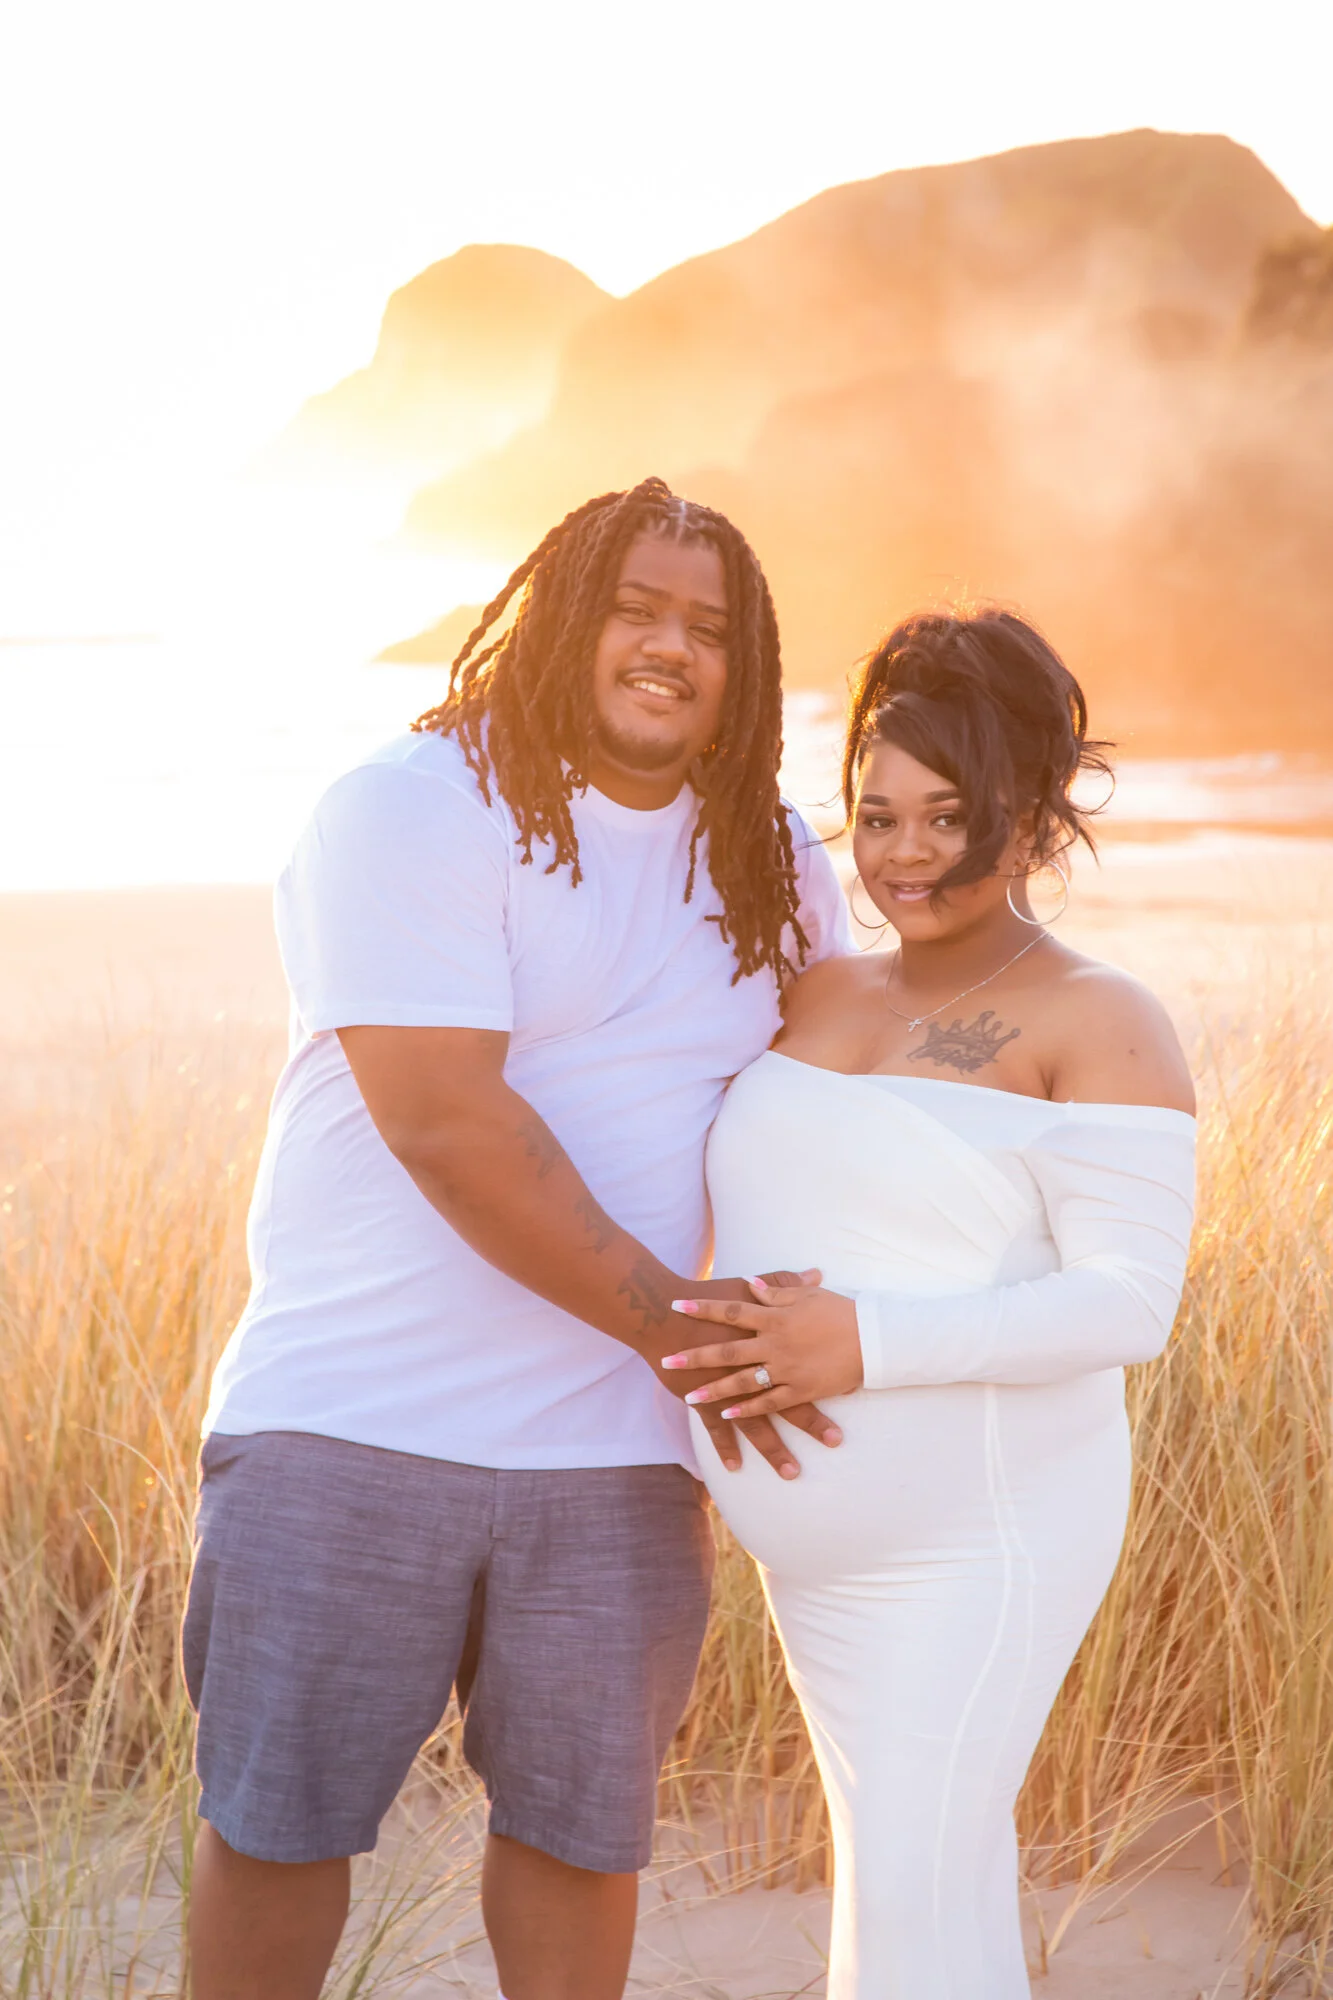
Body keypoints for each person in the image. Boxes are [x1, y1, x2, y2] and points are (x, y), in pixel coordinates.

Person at [181, 476, 852, 2000]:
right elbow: (450, 1128)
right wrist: (695, 1332)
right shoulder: (413, 804)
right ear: (562, 613)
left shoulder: (776, 860)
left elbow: (830, 1095)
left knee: (581, 1840)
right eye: (636, 607)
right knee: (282, 1830)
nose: (670, 646)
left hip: (617, 1454)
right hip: (350, 1421)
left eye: (711, 626)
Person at [665, 608, 1197, 1999]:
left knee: (908, 1892)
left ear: (1028, 819)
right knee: (917, 1892)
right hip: (818, 1561)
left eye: (945, 817)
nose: (901, 856)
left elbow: (1128, 1307)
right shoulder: (814, 991)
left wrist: (860, 1342)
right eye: (876, 817)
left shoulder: (1101, 1016)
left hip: (984, 1535)